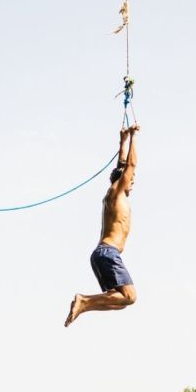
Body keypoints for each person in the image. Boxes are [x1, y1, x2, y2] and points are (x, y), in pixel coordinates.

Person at [64, 124, 139, 327]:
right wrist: (134, 137)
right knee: (130, 297)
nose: (133, 182)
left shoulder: (113, 194)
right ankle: (85, 301)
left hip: (103, 254)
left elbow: (123, 165)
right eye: (131, 179)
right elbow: (130, 165)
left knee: (120, 301)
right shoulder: (117, 192)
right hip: (108, 253)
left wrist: (122, 141)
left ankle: (85, 304)